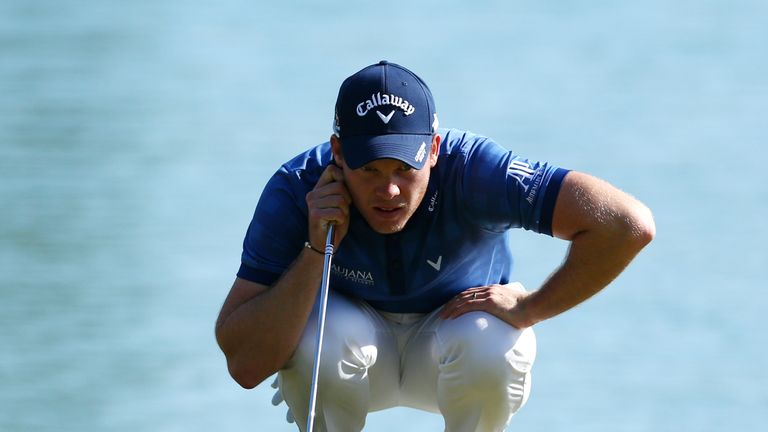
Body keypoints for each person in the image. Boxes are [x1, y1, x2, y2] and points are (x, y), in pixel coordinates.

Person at [215, 60, 655, 432]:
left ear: (433, 150)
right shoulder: (298, 188)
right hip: (349, 354)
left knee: (491, 342)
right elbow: (246, 365)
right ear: (338, 153)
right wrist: (314, 249)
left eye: (403, 168)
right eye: (369, 169)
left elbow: (627, 225)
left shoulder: (477, 171)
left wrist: (531, 308)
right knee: (319, 343)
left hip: (452, 349)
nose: (388, 191)